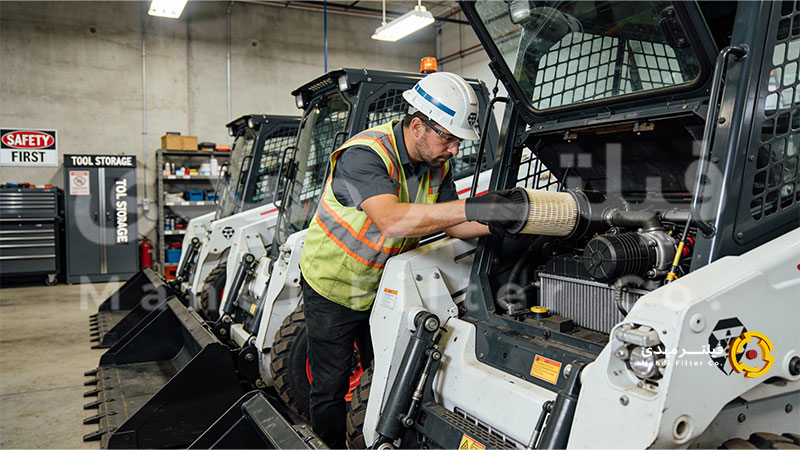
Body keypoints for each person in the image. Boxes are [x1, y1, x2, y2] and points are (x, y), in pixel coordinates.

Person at [298, 71, 524, 448]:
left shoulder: (438, 165)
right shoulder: (364, 156)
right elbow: (391, 220)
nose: (454, 150)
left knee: (387, 376)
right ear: (418, 125)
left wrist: (503, 223)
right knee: (331, 387)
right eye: (448, 138)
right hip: (333, 287)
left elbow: (455, 225)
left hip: (379, 291)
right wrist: (470, 206)